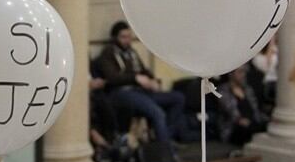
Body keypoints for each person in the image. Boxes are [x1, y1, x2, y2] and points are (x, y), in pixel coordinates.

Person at [96, 21, 196, 149]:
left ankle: (165, 136)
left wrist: (153, 81)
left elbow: (143, 70)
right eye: (123, 37)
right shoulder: (108, 53)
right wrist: (135, 78)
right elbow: (113, 77)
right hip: (122, 93)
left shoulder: (131, 52)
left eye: (129, 36)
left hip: (141, 91)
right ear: (115, 37)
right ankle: (166, 149)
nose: (127, 40)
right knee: (157, 112)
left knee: (178, 98)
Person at [218, 64, 268, 146]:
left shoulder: (247, 89)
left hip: (252, 122)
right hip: (234, 128)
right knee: (246, 128)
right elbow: (231, 112)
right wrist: (241, 120)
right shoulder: (224, 90)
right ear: (231, 74)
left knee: (266, 126)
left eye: (244, 72)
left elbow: (255, 109)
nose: (243, 75)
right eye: (240, 72)